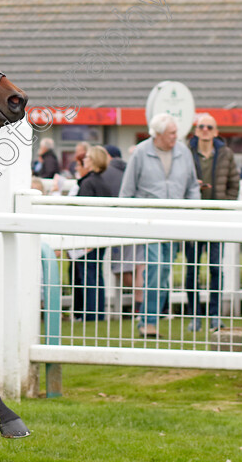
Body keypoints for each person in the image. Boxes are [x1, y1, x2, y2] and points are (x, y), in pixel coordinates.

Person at [120, 113, 200, 337]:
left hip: (174, 221)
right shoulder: (141, 153)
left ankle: (150, 317)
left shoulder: (183, 152)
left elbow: (192, 186)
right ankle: (148, 322)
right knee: (154, 267)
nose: (176, 137)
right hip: (149, 221)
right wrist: (128, 219)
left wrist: (194, 212)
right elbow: (127, 190)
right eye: (172, 133)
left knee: (165, 271)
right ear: (158, 134)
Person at [184, 113, 239, 331]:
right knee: (192, 270)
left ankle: (215, 315)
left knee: (216, 268)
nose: (205, 130)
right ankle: (195, 317)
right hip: (193, 219)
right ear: (196, 131)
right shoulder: (186, 153)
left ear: (216, 131)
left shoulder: (226, 154)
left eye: (209, 126)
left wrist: (224, 205)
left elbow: (234, 184)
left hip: (217, 218)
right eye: (201, 126)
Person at [70, 146, 113, 321]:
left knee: (88, 274)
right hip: (100, 235)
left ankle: (90, 314)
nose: (84, 160)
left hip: (89, 236)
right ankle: (97, 313)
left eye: (87, 157)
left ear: (93, 160)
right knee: (96, 275)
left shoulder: (88, 183)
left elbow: (83, 212)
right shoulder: (103, 182)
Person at [103, 144, 145, 316]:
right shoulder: (130, 170)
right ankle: (144, 302)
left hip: (122, 223)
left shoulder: (105, 173)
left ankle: (142, 303)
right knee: (140, 266)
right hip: (139, 222)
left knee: (124, 268)